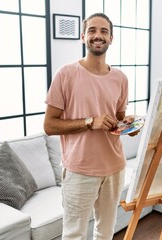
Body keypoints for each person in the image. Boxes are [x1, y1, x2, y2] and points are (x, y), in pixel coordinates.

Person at [44, 13, 137, 240]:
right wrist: (89, 122)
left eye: (104, 31)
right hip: (79, 170)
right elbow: (49, 125)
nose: (98, 36)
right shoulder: (66, 74)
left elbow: (117, 120)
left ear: (111, 38)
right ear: (83, 36)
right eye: (93, 30)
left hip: (115, 167)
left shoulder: (121, 78)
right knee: (74, 234)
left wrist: (129, 126)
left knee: (106, 231)